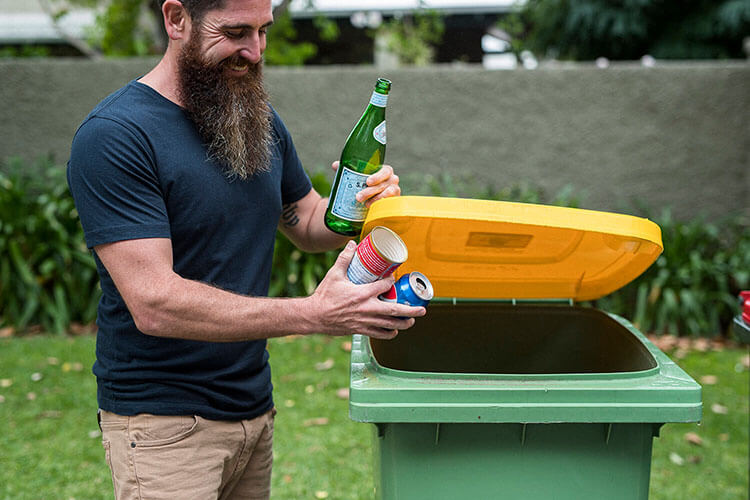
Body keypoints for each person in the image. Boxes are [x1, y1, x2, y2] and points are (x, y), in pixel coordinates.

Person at [66, 0, 425, 498]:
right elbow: (154, 303)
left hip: (253, 410)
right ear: (176, 20)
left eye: (262, 32)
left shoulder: (253, 116)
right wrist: (314, 314)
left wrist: (365, 203)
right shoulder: (116, 136)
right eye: (235, 31)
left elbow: (305, 222)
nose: (254, 52)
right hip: (163, 425)